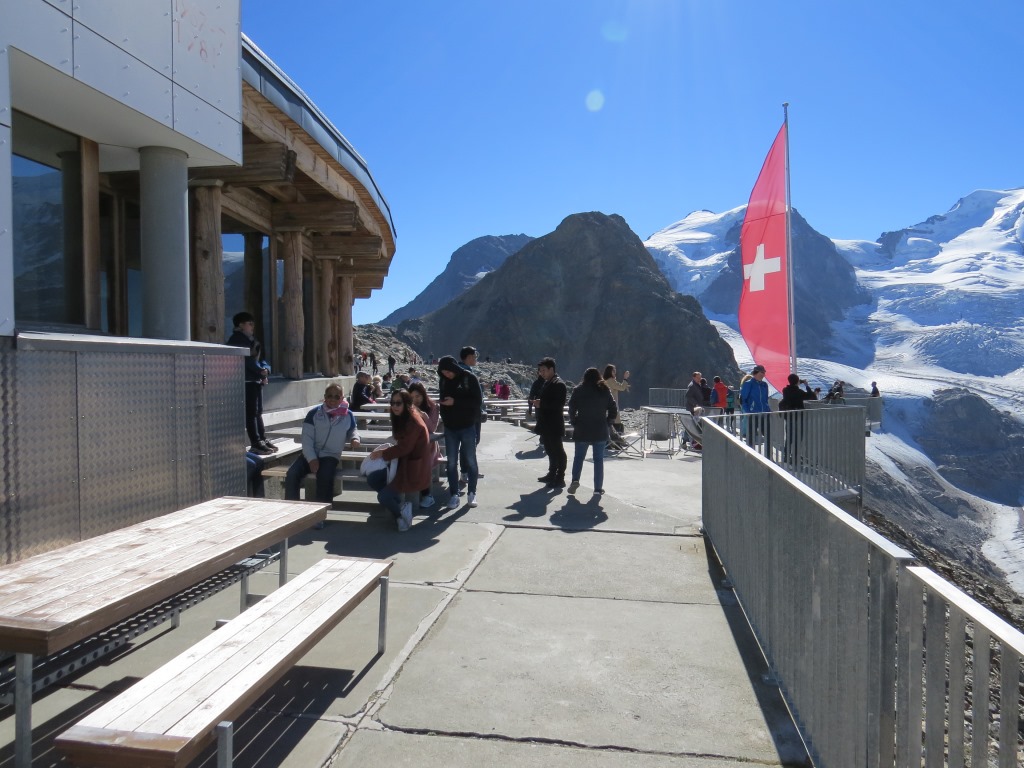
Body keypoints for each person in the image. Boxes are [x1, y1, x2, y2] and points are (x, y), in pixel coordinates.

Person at [285, 383, 361, 513]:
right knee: (292, 474)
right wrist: (312, 459)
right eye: (329, 396)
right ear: (325, 397)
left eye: (337, 396)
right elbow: (307, 438)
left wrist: (355, 439)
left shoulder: (348, 415)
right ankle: (291, 511)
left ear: (342, 398)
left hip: (331, 455)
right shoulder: (314, 413)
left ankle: (321, 513)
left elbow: (352, 430)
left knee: (325, 476)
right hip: (310, 453)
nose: (333, 399)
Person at [365, 389, 431, 532]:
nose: (394, 406)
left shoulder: (414, 422)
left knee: (383, 497)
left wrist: (382, 453)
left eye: (398, 403)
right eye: (392, 403)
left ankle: (400, 514)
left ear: (407, 404)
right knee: (372, 479)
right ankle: (400, 506)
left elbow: (404, 448)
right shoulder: (404, 417)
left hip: (411, 468)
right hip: (400, 463)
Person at [437, 355, 482, 509]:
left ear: (454, 367)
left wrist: (455, 402)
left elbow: (477, 401)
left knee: (470, 461)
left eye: (448, 371)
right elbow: (443, 400)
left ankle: (472, 492)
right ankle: (454, 494)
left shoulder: (469, 378)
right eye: (444, 373)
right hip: (450, 428)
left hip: (467, 426)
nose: (447, 375)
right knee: (451, 463)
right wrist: (445, 413)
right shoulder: (443, 381)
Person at [227, 311, 274, 455]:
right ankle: (256, 442)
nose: (252, 326)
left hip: (255, 380)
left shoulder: (252, 339)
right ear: (241, 325)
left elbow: (261, 359)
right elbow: (245, 360)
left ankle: (262, 439)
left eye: (253, 323)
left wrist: (266, 369)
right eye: (250, 323)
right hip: (246, 381)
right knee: (251, 412)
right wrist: (260, 371)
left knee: (258, 412)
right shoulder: (237, 339)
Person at [567, 367, 617, 495]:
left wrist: (574, 421)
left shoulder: (578, 390)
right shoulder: (604, 390)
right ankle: (597, 489)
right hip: (600, 429)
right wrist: (608, 422)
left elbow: (571, 408)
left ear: (585, 377)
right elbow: (613, 408)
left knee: (579, 457)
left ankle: (575, 480)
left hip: (582, 429)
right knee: (598, 460)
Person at [408, 381, 443, 509]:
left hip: (429, 445)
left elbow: (432, 428)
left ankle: (427, 495)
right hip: (412, 443)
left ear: (423, 395)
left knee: (420, 461)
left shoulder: (433, 407)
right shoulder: (407, 407)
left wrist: (423, 415)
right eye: (412, 397)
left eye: (418, 396)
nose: (415, 400)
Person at [536, 357, 568, 488]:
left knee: (558, 451)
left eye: (544, 370)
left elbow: (558, 404)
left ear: (551, 369)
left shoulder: (559, 384)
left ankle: (560, 477)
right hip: (546, 423)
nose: (541, 373)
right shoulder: (547, 382)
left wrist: (541, 404)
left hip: (554, 424)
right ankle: (552, 473)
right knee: (549, 449)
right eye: (540, 371)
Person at [740, 365, 771, 447]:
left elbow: (765, 399)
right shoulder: (748, 384)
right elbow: (743, 399)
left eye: (764, 373)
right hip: (753, 413)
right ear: (756, 373)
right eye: (762, 372)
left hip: (764, 413)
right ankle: (750, 452)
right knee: (751, 435)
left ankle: (768, 453)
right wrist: (748, 412)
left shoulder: (764, 384)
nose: (763, 374)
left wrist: (768, 409)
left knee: (768, 435)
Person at [602, 364, 630, 444]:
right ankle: (617, 443)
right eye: (613, 371)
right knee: (617, 425)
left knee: (609, 426)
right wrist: (625, 378)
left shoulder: (605, 381)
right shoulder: (611, 381)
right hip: (613, 407)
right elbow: (621, 387)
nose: (615, 372)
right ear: (610, 372)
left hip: (606, 407)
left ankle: (610, 443)